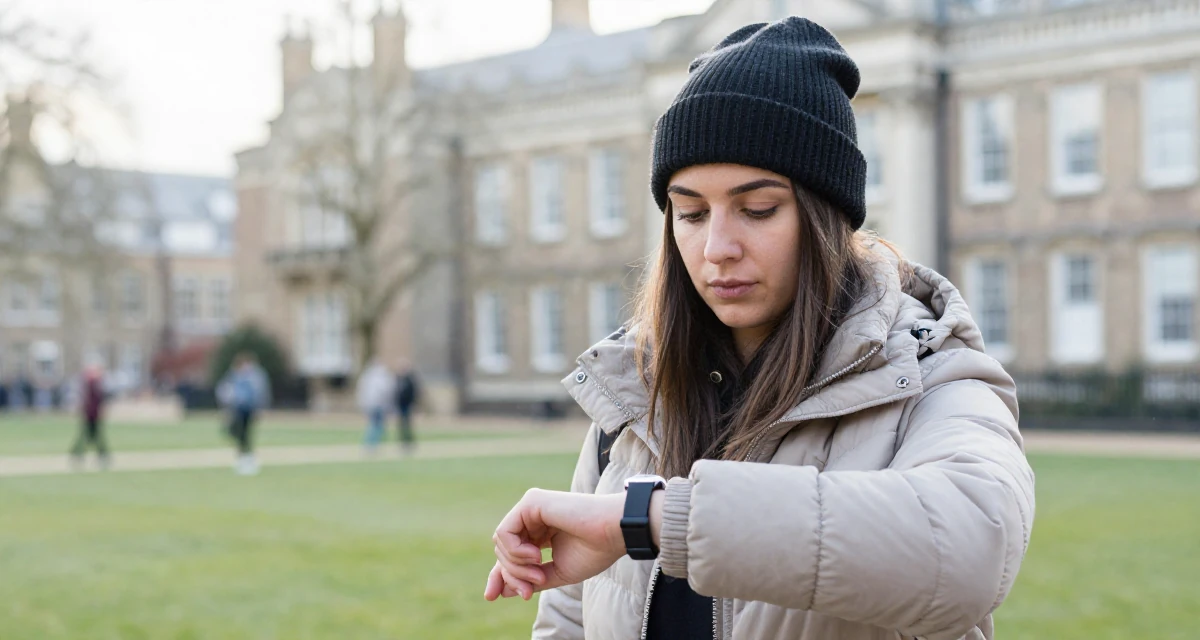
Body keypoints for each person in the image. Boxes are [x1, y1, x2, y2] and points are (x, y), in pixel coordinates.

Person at [484, 18, 1035, 640]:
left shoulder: (931, 372)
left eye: (757, 209)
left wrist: (652, 518)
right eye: (690, 213)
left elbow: (969, 552)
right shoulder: (635, 393)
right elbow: (567, 624)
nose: (717, 246)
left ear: (825, 217)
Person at [217, 352, 271, 475]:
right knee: (236, 432)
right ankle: (243, 457)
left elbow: (260, 392)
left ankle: (248, 458)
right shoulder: (234, 375)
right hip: (237, 409)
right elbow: (226, 391)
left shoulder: (255, 376)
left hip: (249, 409)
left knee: (246, 434)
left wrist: (259, 407)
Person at [70, 364, 110, 470]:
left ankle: (79, 454)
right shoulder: (92, 384)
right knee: (90, 436)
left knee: (93, 437)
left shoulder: (92, 384)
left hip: (92, 414)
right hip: (90, 414)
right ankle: (78, 454)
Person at [357, 357, 397, 454]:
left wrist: (362, 404)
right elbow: (387, 391)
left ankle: (371, 445)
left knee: (374, 425)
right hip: (378, 404)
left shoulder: (367, 376)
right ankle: (373, 445)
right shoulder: (382, 376)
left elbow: (361, 392)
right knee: (377, 426)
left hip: (371, 404)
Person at [393, 358, 420, 454]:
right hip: (400, 405)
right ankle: (403, 442)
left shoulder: (409, 379)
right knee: (401, 425)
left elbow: (414, 392)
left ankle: (409, 442)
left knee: (407, 424)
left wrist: (414, 403)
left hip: (407, 405)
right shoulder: (397, 378)